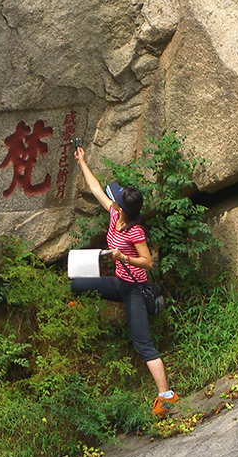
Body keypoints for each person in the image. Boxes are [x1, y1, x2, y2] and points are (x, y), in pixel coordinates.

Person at [71, 146, 178, 417]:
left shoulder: (135, 230)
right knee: (76, 285)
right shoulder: (115, 214)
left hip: (134, 289)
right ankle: (87, 312)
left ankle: (166, 396)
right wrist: (82, 162)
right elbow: (96, 189)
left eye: (117, 199)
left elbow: (148, 262)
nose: (113, 199)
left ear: (125, 208)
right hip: (119, 282)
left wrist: (123, 257)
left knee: (142, 343)